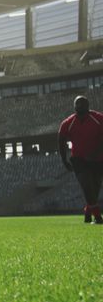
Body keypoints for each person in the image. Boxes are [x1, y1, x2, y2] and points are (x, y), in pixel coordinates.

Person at [58, 95, 103, 224]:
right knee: (86, 185)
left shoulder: (98, 118)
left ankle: (88, 210)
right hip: (79, 159)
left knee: (95, 188)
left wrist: (96, 152)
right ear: (74, 106)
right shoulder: (68, 123)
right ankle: (98, 217)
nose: (80, 106)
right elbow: (61, 139)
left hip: (97, 159)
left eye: (83, 104)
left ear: (88, 106)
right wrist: (64, 159)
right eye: (78, 104)